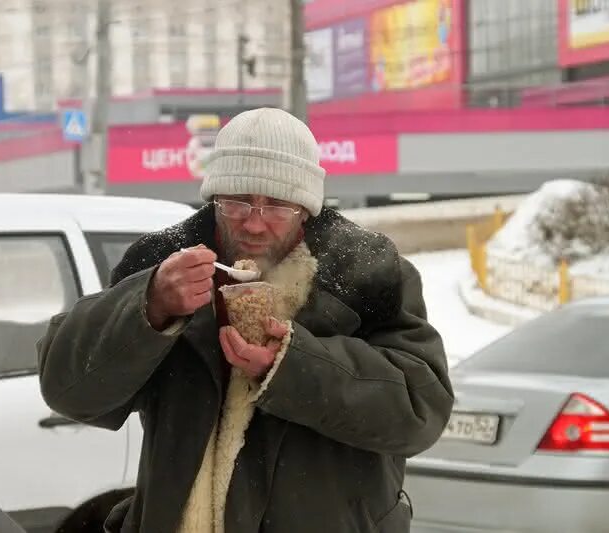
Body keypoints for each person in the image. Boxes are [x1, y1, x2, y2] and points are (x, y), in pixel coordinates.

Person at [37, 107, 453, 533]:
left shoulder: (367, 274)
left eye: (276, 205)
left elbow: (421, 411)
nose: (254, 223)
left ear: (305, 208)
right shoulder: (162, 264)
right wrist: (150, 305)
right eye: (236, 202)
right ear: (214, 197)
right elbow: (69, 391)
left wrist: (292, 366)